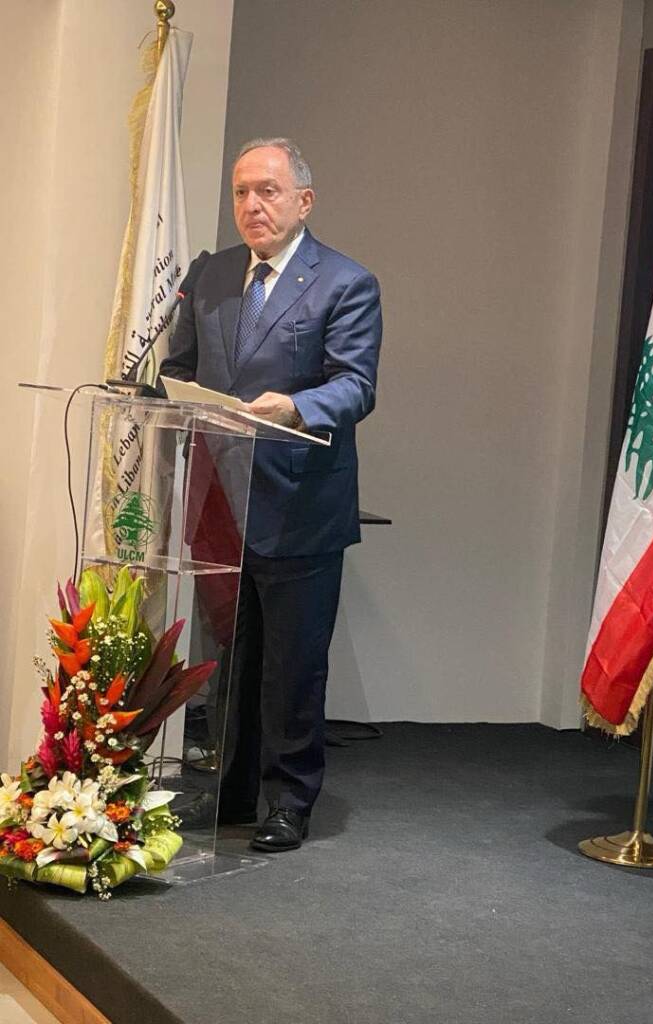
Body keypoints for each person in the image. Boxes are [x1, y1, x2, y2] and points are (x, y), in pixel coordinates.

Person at [159, 138, 382, 851]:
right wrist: (165, 394)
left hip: (298, 505)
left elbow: (357, 385)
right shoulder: (211, 274)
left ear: (303, 201)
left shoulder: (346, 282)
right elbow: (180, 366)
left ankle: (288, 800)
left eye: (268, 191)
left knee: (291, 666)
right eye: (241, 192)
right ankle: (229, 793)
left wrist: (296, 406)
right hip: (220, 505)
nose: (252, 205)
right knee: (233, 659)